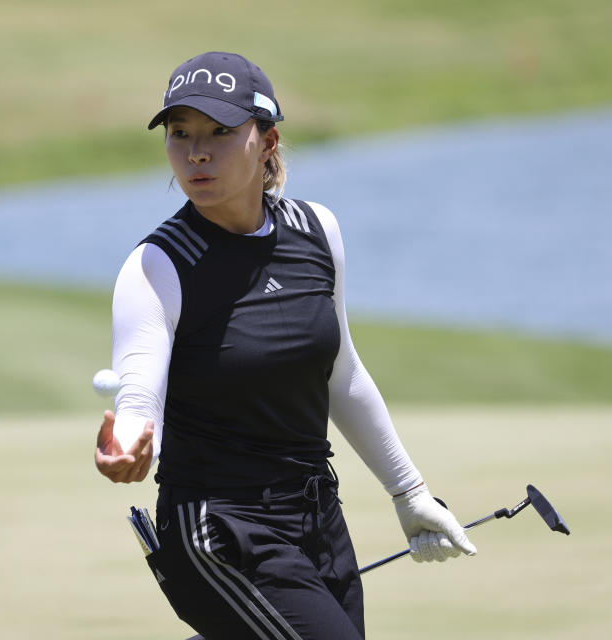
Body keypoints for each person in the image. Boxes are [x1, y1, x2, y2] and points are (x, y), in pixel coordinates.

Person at [94, 51, 476, 640]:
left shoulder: (315, 230)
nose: (197, 151)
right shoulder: (157, 265)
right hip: (217, 530)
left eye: (221, 132)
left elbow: (341, 373)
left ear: (267, 140)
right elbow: (139, 388)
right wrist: (126, 446)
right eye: (181, 134)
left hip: (317, 516)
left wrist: (410, 493)